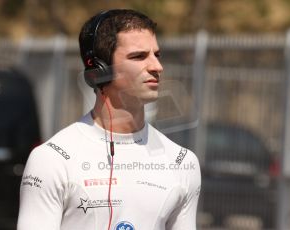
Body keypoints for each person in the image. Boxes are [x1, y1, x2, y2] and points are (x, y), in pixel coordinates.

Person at [17, 9, 201, 230]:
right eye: (139, 56)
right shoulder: (51, 159)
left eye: (157, 55)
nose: (156, 67)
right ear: (100, 70)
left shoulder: (183, 162)